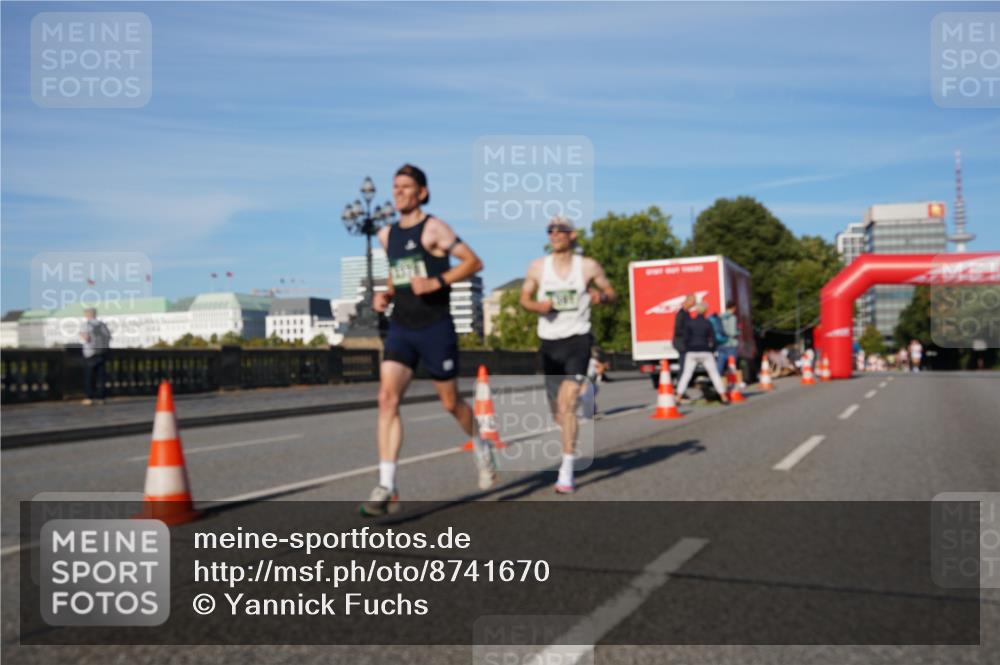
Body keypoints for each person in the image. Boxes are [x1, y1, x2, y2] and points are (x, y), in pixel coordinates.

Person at [360, 164, 494, 517]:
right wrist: (386, 294)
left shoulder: (434, 228)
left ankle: (481, 443)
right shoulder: (387, 234)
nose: (398, 192)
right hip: (402, 327)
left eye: (406, 187)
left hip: (435, 328)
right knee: (387, 398)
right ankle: (387, 485)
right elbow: (397, 273)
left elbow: (473, 262)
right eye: (395, 186)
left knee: (451, 403)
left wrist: (437, 282)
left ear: (422, 192)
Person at [520, 216, 615, 494]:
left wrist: (602, 297)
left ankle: (566, 470)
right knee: (558, 414)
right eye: (550, 230)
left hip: (577, 339)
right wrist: (538, 306)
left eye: (561, 230)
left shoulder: (587, 266)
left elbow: (611, 292)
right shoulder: (538, 267)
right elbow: (524, 299)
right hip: (549, 343)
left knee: (567, 404)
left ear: (572, 235)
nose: (555, 234)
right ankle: (585, 396)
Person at [675, 301, 730, 404]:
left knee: (686, 375)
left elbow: (685, 339)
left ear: (696, 310)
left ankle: (678, 397)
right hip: (705, 351)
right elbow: (713, 339)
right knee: (714, 374)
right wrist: (712, 350)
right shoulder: (707, 323)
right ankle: (723, 397)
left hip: (691, 351)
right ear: (705, 311)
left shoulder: (690, 323)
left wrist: (688, 348)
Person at [79, 308, 111, 405]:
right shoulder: (102, 324)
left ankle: (89, 398)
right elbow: (108, 337)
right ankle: (102, 398)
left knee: (89, 376)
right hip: (101, 352)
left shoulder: (86, 325)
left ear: (87, 315)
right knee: (101, 377)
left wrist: (82, 335)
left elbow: (86, 338)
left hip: (90, 353)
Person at [713, 301, 742, 386]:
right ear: (733, 307)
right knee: (732, 364)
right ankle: (733, 383)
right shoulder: (732, 317)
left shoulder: (720, 316)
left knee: (720, 364)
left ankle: (716, 382)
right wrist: (739, 331)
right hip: (730, 344)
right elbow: (732, 332)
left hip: (721, 344)